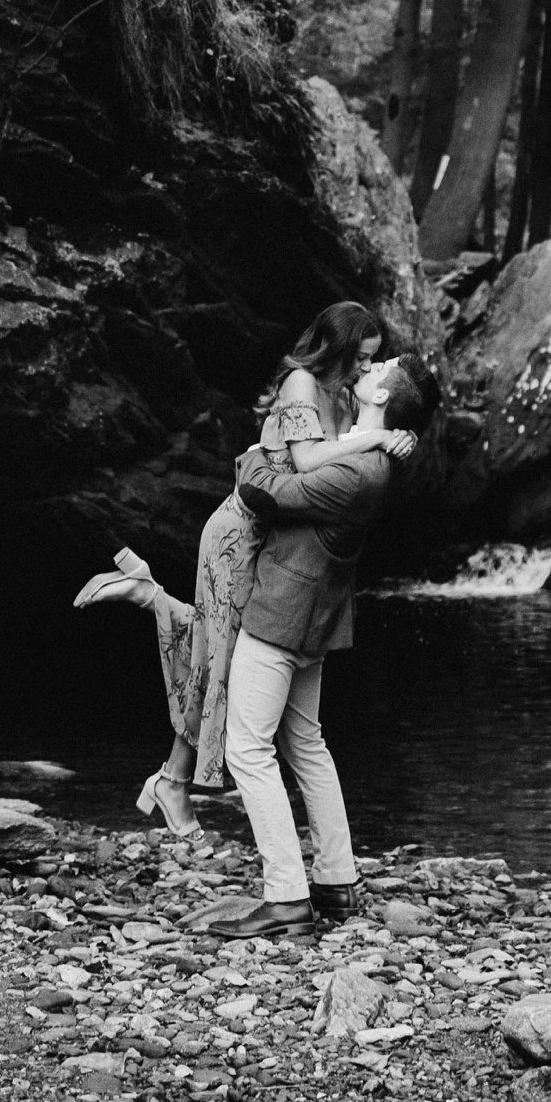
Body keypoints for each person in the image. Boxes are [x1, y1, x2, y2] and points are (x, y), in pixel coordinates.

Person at [73, 302, 414, 832]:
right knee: (220, 656)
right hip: (240, 531)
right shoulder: (302, 382)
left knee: (221, 653)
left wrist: (400, 433)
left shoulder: (347, 394)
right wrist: (377, 438)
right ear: (336, 349)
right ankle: (172, 778)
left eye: (372, 360)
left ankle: (171, 771)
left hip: (277, 537)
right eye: (360, 358)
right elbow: (306, 462)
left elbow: (351, 453)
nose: (365, 368)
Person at [206, 347, 442, 941]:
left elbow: (264, 492)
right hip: (316, 616)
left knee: (247, 751)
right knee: (306, 744)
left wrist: (262, 445)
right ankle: (336, 880)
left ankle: (286, 895)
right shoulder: (372, 451)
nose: (370, 366)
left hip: (283, 614)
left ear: (382, 396)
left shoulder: (357, 470)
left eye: (380, 367)